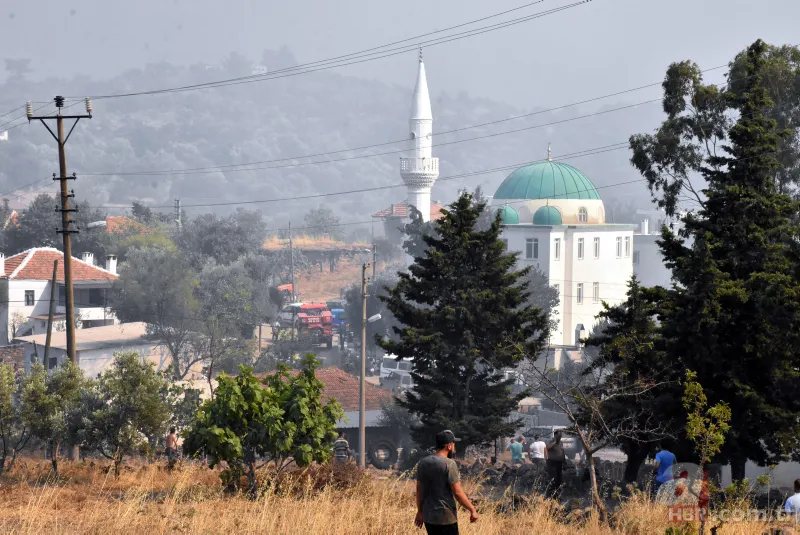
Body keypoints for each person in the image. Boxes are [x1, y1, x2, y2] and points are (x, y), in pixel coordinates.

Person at [415, 430, 479, 534]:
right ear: (449, 446)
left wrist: (420, 512)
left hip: (429, 517)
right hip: (445, 517)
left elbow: (419, 491)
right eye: (453, 443)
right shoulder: (449, 464)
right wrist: (472, 510)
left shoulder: (423, 462)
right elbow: (457, 493)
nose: (454, 445)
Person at [546, 430, 566, 497]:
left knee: (559, 479)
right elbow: (547, 448)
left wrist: (564, 461)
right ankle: (550, 494)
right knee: (553, 479)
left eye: (560, 435)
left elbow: (562, 451)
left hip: (559, 463)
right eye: (558, 435)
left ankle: (557, 493)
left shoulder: (561, 443)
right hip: (552, 463)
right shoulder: (551, 441)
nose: (560, 437)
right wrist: (555, 441)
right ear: (555, 435)